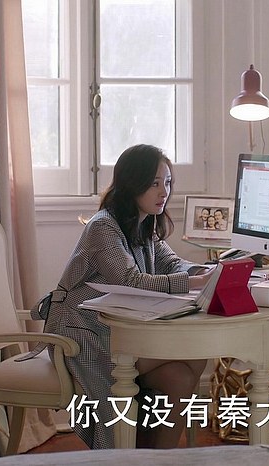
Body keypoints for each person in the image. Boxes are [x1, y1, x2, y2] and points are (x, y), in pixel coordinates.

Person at [41, 144, 214, 449]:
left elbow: (172, 263)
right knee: (194, 351)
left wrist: (210, 271)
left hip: (117, 328)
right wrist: (193, 282)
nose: (164, 192)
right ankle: (137, 452)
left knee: (180, 378)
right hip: (83, 333)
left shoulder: (143, 223)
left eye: (168, 182)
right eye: (154, 183)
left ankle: (155, 459)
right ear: (133, 183)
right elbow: (129, 280)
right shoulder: (103, 227)